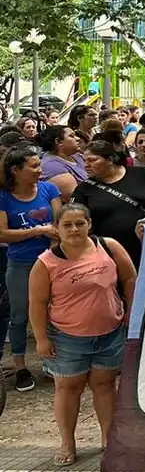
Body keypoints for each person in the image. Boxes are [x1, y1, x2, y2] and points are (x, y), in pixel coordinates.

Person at [29, 203, 137, 465]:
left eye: (80, 223)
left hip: (110, 332)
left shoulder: (109, 247)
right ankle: (68, 442)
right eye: (67, 225)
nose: (74, 229)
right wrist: (42, 338)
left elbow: (130, 278)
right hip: (66, 337)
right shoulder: (46, 262)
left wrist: (131, 313)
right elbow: (37, 303)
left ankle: (108, 438)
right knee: (68, 387)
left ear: (89, 224)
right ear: (57, 229)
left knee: (104, 385)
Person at [1, 146, 63, 392]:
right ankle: (20, 366)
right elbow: (3, 234)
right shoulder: (4, 196)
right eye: (34, 166)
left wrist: (54, 245)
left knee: (55, 312)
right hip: (20, 263)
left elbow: (60, 224)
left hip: (51, 261)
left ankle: (53, 362)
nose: (40, 170)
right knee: (19, 316)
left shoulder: (49, 189)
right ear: (16, 170)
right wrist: (39, 230)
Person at [71, 136, 145, 264]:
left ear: (110, 160)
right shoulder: (83, 189)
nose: (86, 165)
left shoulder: (142, 174)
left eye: (92, 160)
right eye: (84, 161)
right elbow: (74, 219)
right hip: (109, 253)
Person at [38, 125, 87, 201]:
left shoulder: (76, 155)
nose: (78, 138)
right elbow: (74, 198)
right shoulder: (51, 166)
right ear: (59, 142)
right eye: (72, 136)